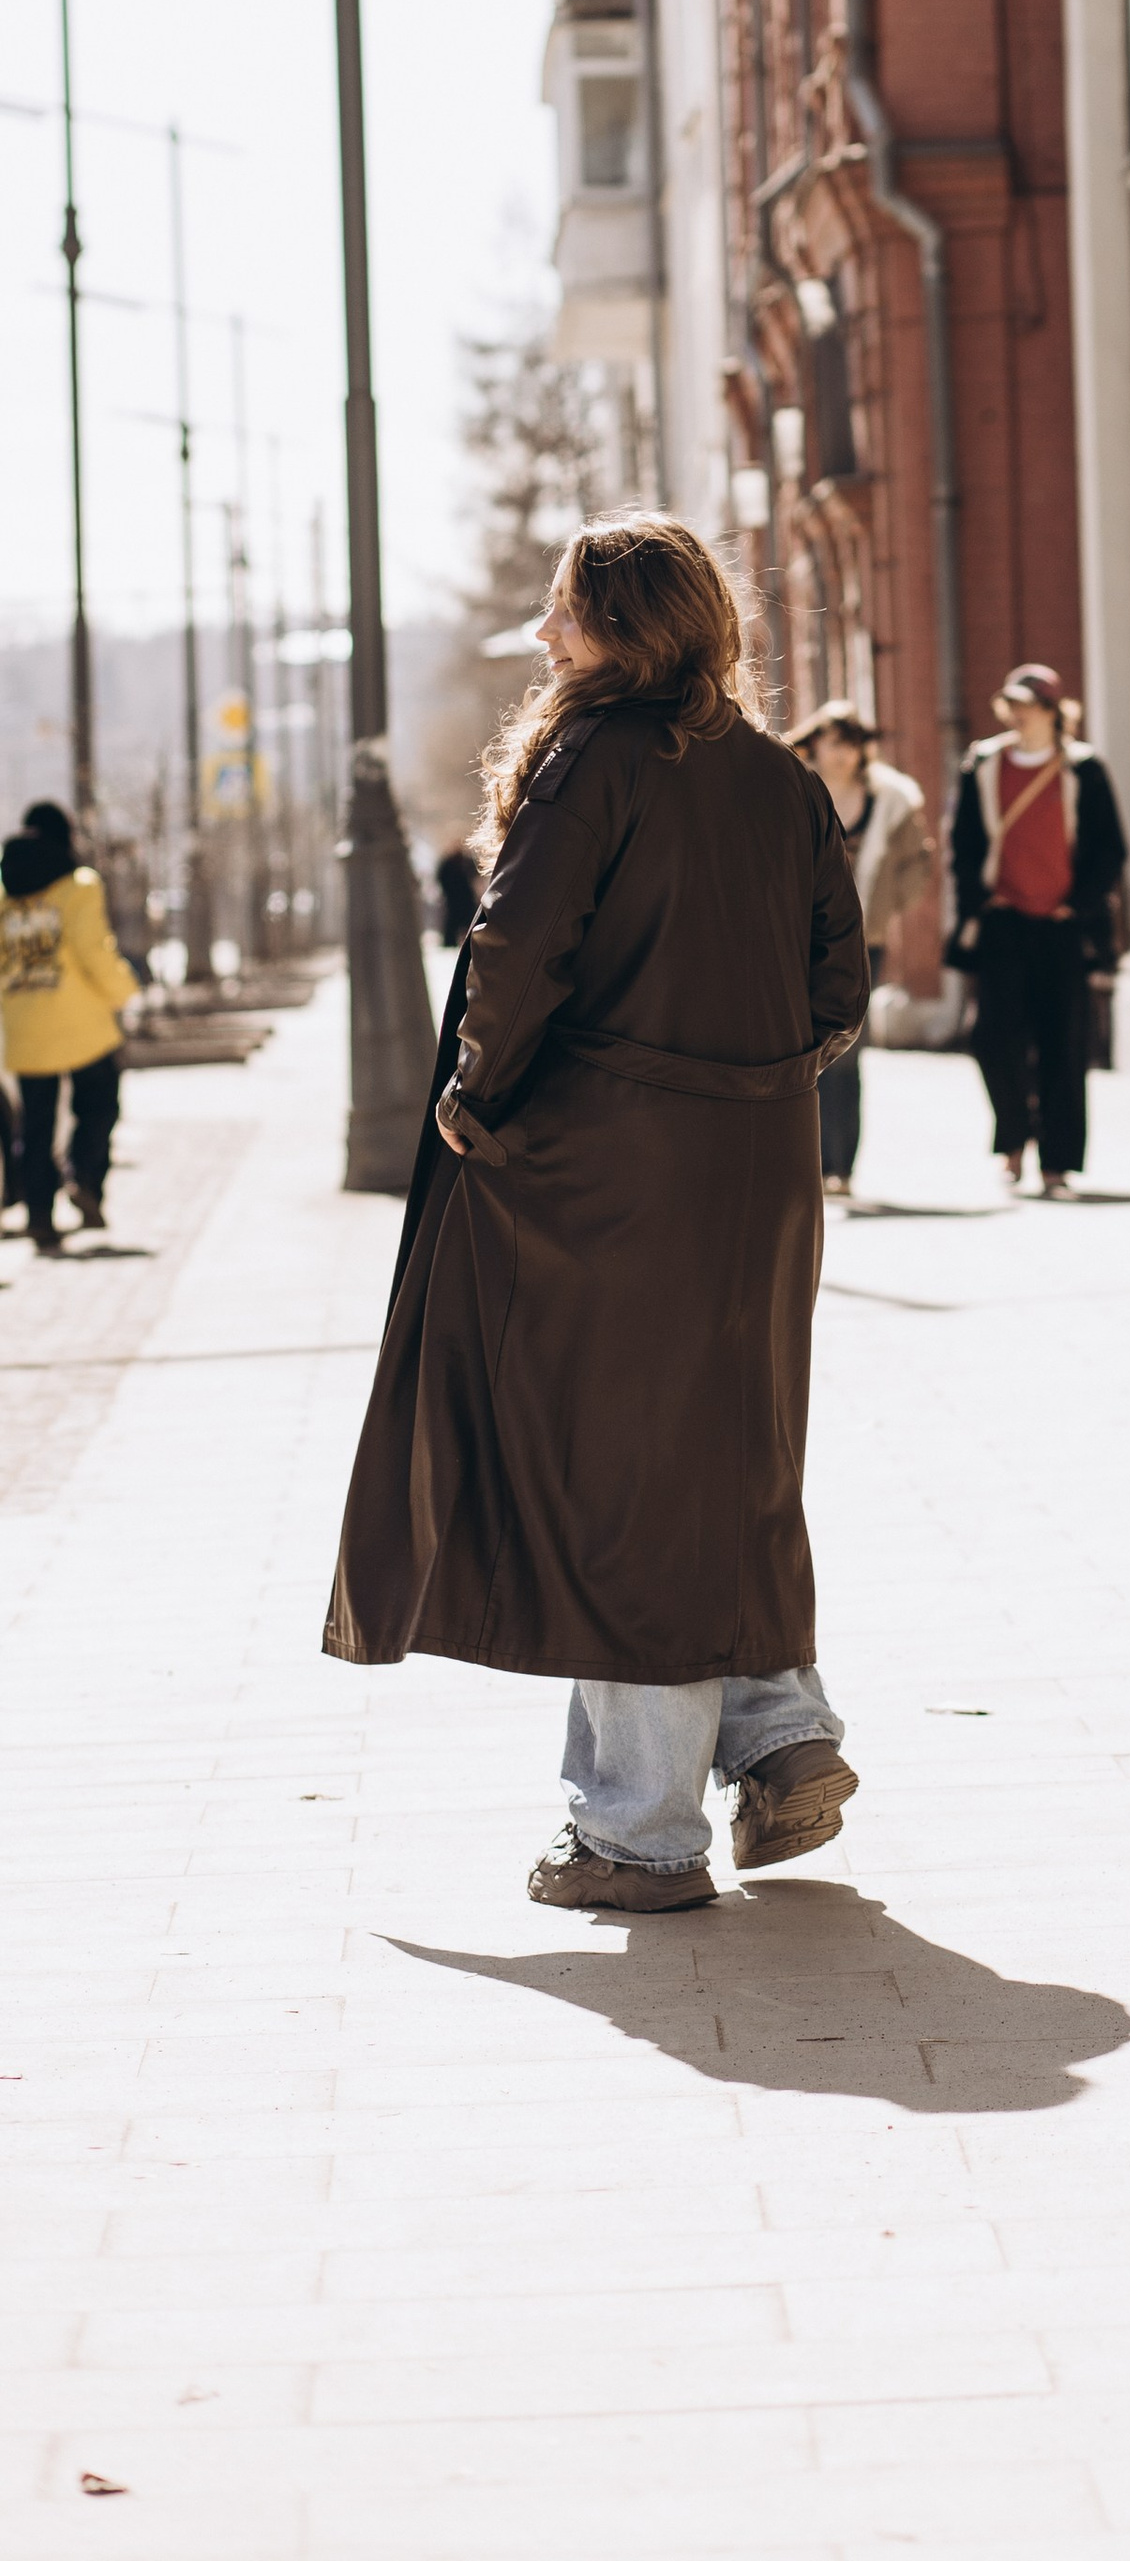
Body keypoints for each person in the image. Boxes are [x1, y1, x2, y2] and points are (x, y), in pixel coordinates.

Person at [322, 514, 872, 1916]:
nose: (550, 634)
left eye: (568, 610)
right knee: (731, 1445)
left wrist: (474, 1095)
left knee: (615, 1474)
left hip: (612, 1168)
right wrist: (748, 1085)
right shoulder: (780, 779)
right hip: (758, 1173)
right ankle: (780, 1727)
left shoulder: (589, 763)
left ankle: (638, 1832)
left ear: (626, 629)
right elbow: (839, 989)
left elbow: (515, 945)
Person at [946, 664, 1127, 1198]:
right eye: (1013, 703)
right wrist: (978, 903)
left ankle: (1058, 1163)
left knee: (1063, 1044)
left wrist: (1079, 905)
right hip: (1003, 922)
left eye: (1031, 704)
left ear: (1054, 711)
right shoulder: (982, 764)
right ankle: (1014, 1138)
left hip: (1061, 927)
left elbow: (1110, 848)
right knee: (993, 1039)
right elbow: (963, 843)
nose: (1020, 713)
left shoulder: (1083, 769)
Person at [784, 705, 934, 1197]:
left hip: (863, 941)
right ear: (815, 745)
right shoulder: (792, 792)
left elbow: (918, 862)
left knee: (846, 1050)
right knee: (796, 1049)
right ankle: (806, 1162)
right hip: (795, 938)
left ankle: (841, 1166)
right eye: (834, 741)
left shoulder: (889, 800)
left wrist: (891, 905)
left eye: (852, 742)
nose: (843, 753)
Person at [0, 798, 136, 1256]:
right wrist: (124, 992)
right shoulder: (78, 885)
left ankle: (40, 1215)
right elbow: (93, 951)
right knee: (99, 1104)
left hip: (23, 1027)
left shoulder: (4, 891)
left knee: (35, 1125)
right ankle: (85, 1180)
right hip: (82, 1024)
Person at [433, 841, 482, 947]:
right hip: (454, 897)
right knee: (453, 921)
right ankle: (450, 943)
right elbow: (441, 877)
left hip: (465, 897)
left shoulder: (466, 861)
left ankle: (471, 942)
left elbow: (474, 875)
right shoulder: (449, 863)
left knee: (469, 920)